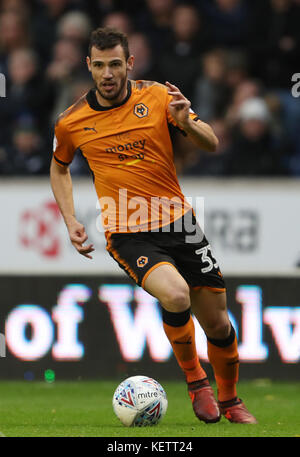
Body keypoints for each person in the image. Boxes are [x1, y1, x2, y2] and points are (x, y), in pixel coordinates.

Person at [50, 27, 257, 424]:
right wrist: (70, 218)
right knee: (177, 296)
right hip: (127, 232)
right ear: (88, 67)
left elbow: (211, 142)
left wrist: (187, 122)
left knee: (217, 321)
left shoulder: (160, 96)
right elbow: (59, 169)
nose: (107, 74)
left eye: (115, 64)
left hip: (180, 223)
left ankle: (230, 401)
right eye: (99, 65)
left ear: (129, 63)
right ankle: (197, 383)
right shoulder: (71, 121)